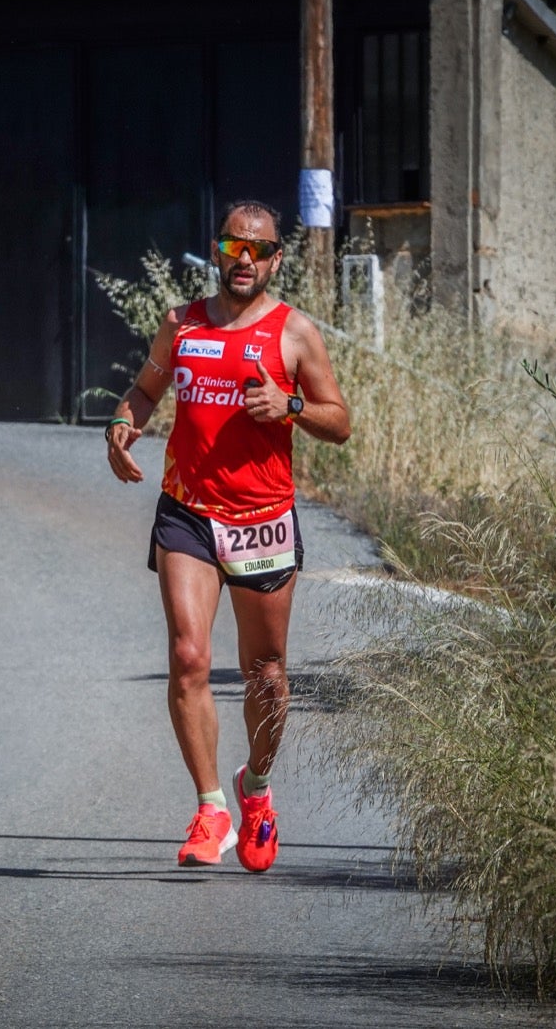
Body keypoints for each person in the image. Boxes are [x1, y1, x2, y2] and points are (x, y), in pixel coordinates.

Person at [104, 200, 350, 873]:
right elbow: (146, 392)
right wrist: (122, 427)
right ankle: (211, 805)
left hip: (262, 516)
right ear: (217, 251)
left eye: (259, 250)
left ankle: (257, 793)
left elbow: (339, 420)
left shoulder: (293, 333)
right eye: (233, 247)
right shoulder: (180, 323)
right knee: (188, 654)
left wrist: (291, 405)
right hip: (187, 511)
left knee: (265, 673)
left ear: (276, 259)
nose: (244, 261)